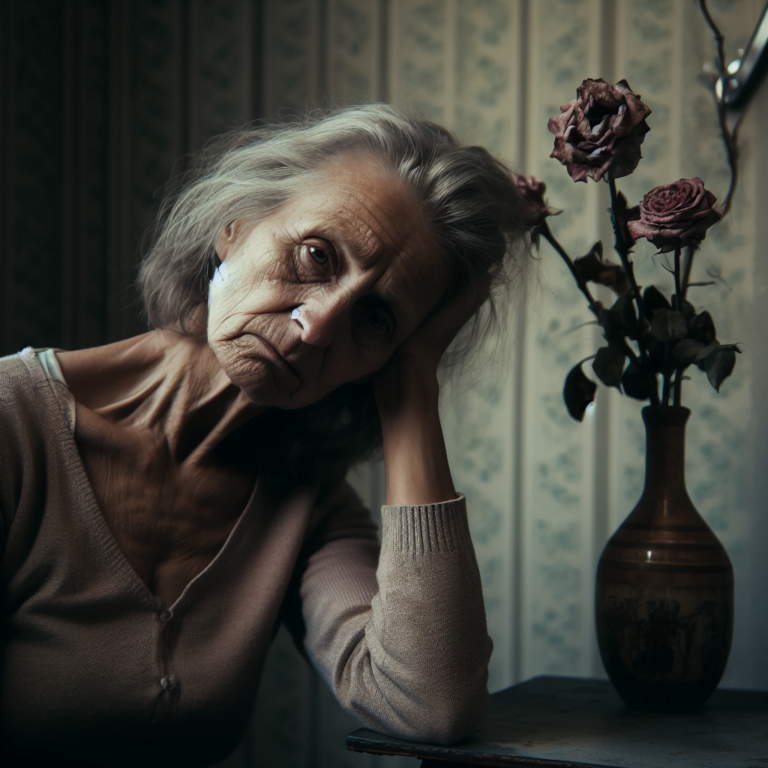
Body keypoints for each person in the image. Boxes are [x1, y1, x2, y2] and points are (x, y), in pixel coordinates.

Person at [0, 104, 527, 768]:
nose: (320, 325)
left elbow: (429, 704)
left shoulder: (305, 503)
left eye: (375, 319)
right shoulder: (13, 425)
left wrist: (416, 386)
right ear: (236, 227)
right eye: (316, 255)